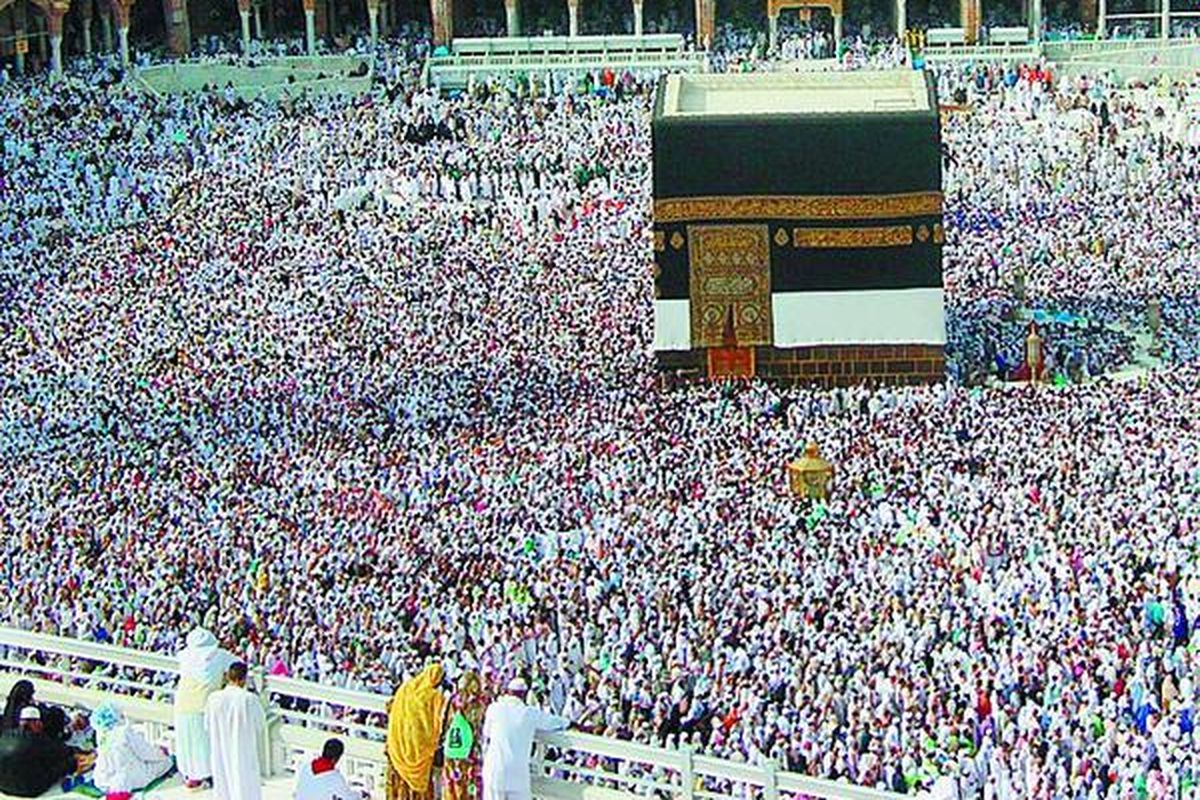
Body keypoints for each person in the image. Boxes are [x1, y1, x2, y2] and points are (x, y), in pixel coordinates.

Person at [481, 678, 569, 800]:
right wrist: (572, 724)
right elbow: (553, 722)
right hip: (517, 773)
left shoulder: (494, 708)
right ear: (524, 694)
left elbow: (487, 733)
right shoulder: (529, 713)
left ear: (508, 692)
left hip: (495, 770)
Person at [175, 627, 236, 788]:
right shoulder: (219, 655)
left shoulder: (185, 656)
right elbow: (238, 665)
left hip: (183, 703)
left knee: (188, 742)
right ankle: (209, 775)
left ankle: (191, 775)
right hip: (205, 705)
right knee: (207, 742)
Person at [385, 664, 448, 800]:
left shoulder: (406, 688)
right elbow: (438, 723)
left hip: (397, 747)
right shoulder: (434, 697)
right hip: (419, 751)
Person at [0, 706, 94, 797]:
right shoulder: (38, 741)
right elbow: (64, 752)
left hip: (3, 786)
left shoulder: (5, 735)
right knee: (67, 763)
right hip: (30, 790)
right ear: (36, 723)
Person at [205, 662, 265, 800]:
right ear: (243, 679)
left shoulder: (213, 698)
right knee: (245, 787)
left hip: (220, 751)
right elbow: (260, 726)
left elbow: (207, 725)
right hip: (243, 752)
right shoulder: (249, 699)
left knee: (223, 785)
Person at [91, 703, 174, 797]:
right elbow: (146, 753)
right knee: (167, 762)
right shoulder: (123, 732)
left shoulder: (102, 736)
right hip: (131, 777)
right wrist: (162, 753)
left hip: (105, 781)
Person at [442, 672, 488, 800]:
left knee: (452, 784)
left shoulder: (453, 699)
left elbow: (445, 723)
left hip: (453, 748)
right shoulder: (480, 703)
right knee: (470, 787)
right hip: (471, 752)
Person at [293, 738, 361, 800]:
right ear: (336, 758)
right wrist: (361, 794)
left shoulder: (306, 767)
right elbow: (349, 797)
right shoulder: (336, 778)